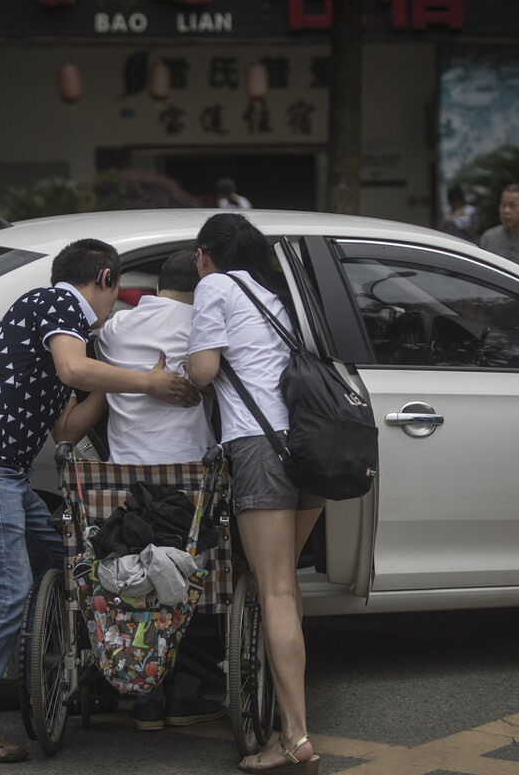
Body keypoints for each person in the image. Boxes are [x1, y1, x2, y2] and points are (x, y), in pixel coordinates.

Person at [0, 238, 199, 763]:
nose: (111, 309)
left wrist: (123, 380)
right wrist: (146, 381)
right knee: (7, 592)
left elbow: (68, 427)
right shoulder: (58, 304)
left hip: (3, 474)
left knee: (72, 567)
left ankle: (76, 674)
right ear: (104, 278)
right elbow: (74, 372)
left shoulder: (64, 335)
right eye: (115, 292)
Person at [55, 249, 222, 731]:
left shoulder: (116, 329)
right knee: (206, 571)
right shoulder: (205, 326)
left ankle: (144, 700)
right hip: (189, 488)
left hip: (122, 491)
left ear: (158, 286)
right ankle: (184, 695)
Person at [184, 213, 322, 775]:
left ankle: (294, 737)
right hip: (309, 449)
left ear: (203, 255)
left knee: (278, 593)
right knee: (284, 588)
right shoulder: (273, 295)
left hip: (260, 450)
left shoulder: (214, 286)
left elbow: (202, 371)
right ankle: (285, 722)